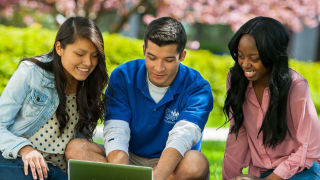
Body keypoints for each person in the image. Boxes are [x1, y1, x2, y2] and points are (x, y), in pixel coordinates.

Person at [103, 16, 213, 180]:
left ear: (182, 55)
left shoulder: (198, 88)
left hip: (172, 162)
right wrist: (122, 173)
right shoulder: (123, 76)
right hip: (129, 157)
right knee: (78, 149)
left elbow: (182, 137)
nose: (158, 68)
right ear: (143, 51)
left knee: (196, 163)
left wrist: (157, 176)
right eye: (152, 57)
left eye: (168, 60)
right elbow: (116, 130)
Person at [0, 16, 108, 180]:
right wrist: (25, 149)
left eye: (94, 56)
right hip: (21, 163)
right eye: (80, 54)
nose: (88, 62)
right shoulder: (31, 72)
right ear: (59, 48)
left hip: (59, 173)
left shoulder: (89, 86)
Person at [222, 16, 320, 180]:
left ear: (272, 55)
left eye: (254, 58)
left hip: (300, 172)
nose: (245, 64)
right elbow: (238, 134)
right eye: (240, 56)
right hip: (261, 172)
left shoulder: (295, 86)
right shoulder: (236, 80)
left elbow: (309, 147)